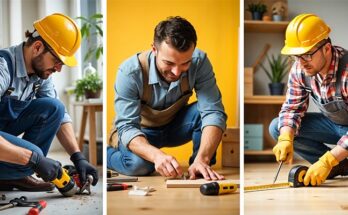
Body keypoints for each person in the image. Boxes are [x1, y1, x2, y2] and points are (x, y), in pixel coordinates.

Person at [107, 16, 227, 180]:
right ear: (154, 50)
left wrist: (203, 158)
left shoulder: (199, 62)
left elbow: (213, 111)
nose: (177, 72)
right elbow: (127, 127)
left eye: (185, 63)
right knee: (138, 165)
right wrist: (156, 156)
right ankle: (108, 155)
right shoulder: (129, 72)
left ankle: (199, 167)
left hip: (175, 127)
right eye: (169, 63)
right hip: (140, 132)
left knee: (205, 113)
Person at [0, 13, 98, 191]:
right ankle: (14, 173)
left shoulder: (40, 75)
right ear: (37, 47)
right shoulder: (3, 68)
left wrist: (78, 157)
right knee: (34, 155)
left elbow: (59, 116)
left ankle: (14, 176)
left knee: (54, 108)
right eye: (56, 61)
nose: (58, 69)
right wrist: (34, 159)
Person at [269, 14, 348, 186]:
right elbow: (292, 109)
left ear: (327, 49)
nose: (301, 62)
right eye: (296, 56)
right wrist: (285, 139)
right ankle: (341, 166)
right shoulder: (300, 69)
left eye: (307, 55)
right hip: (333, 125)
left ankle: (331, 163)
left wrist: (327, 160)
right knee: (278, 127)